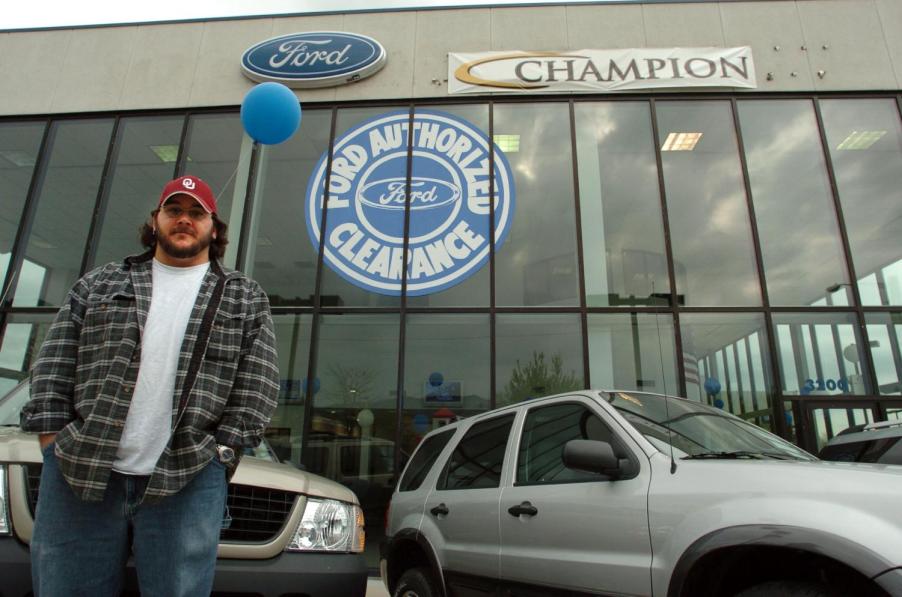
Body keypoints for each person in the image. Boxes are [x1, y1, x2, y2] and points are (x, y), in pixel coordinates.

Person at [20, 175, 280, 597]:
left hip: (186, 477)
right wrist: (54, 440)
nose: (184, 220)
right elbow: (53, 362)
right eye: (174, 210)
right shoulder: (100, 284)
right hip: (81, 470)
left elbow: (258, 384)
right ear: (155, 220)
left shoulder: (243, 298)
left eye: (197, 213)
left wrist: (222, 453)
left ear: (213, 228)